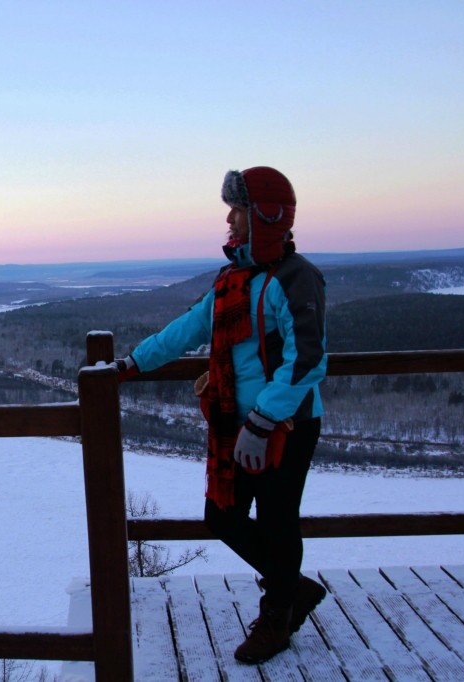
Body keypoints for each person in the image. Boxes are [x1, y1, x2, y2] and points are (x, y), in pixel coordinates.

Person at [114, 167, 327, 663]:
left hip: (288, 424)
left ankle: (277, 620)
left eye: (239, 209)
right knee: (222, 515)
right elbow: (188, 326)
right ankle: (291, 588)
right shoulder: (233, 278)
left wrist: (263, 421)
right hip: (237, 424)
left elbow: (307, 358)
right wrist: (132, 363)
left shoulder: (297, 278)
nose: (229, 219)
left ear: (265, 216)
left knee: (277, 521)